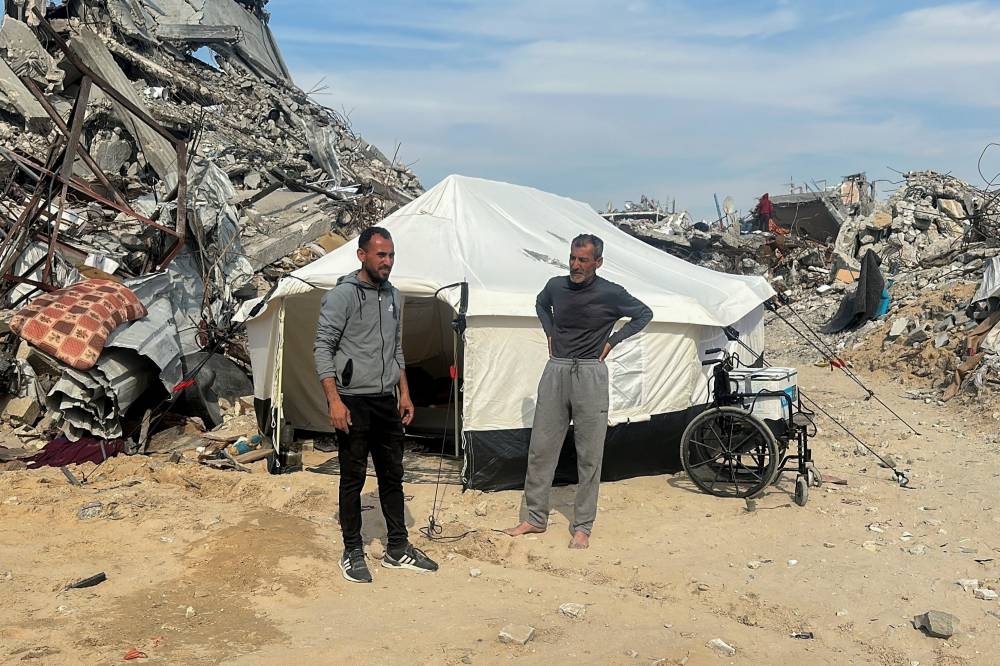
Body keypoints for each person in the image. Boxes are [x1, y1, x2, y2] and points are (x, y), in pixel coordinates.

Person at [504, 234, 652, 549]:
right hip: (556, 370)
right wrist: (550, 332)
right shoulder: (556, 286)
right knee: (541, 449)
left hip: (590, 374)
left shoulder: (611, 293)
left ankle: (583, 525)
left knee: (589, 455)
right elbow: (541, 304)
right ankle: (535, 518)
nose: (575, 265)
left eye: (583, 260)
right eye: (572, 257)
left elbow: (644, 314)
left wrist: (612, 340)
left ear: (597, 262)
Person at [313, 226, 439, 583]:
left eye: (391, 255)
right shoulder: (342, 296)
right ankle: (352, 550)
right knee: (352, 479)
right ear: (362, 255)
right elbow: (322, 347)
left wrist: (406, 393)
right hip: (352, 401)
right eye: (381, 255)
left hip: (386, 400)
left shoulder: (395, 297)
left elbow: (396, 349)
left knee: (392, 476)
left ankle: (397, 548)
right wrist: (334, 401)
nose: (387, 261)